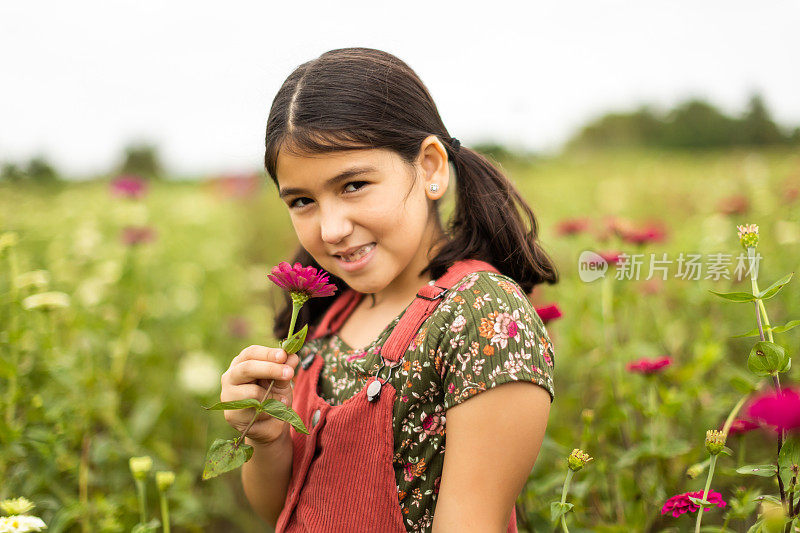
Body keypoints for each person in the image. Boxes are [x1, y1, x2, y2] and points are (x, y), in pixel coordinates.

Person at [220, 47, 558, 532]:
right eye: (302, 201)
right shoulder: (330, 312)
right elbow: (283, 509)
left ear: (430, 168)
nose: (331, 229)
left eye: (354, 185)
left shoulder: (482, 316)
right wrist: (267, 435)